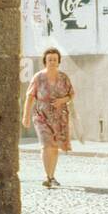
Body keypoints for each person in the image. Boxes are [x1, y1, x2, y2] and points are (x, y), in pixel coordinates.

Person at [23, 48, 74, 188]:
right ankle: (47, 176)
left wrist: (61, 100)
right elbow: (30, 97)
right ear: (45, 61)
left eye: (55, 59)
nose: (52, 61)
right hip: (41, 116)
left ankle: (52, 176)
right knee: (46, 145)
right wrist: (25, 116)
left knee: (54, 147)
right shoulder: (38, 77)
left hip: (60, 117)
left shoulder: (64, 77)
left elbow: (71, 94)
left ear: (58, 61)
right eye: (49, 59)